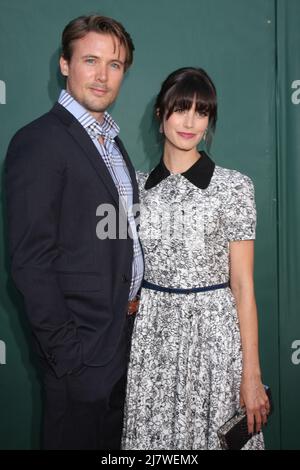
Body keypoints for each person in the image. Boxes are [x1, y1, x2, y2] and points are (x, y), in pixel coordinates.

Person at [5, 15, 143, 450]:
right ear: (65, 64)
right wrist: (70, 358)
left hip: (123, 344)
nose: (102, 76)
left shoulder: (113, 144)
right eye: (90, 60)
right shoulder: (39, 141)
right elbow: (30, 262)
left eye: (115, 65)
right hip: (81, 357)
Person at [122, 67, 270, 450]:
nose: (190, 121)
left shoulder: (234, 187)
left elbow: (243, 285)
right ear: (160, 114)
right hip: (153, 340)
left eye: (201, 112)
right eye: (180, 109)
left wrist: (251, 373)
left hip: (215, 341)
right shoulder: (134, 188)